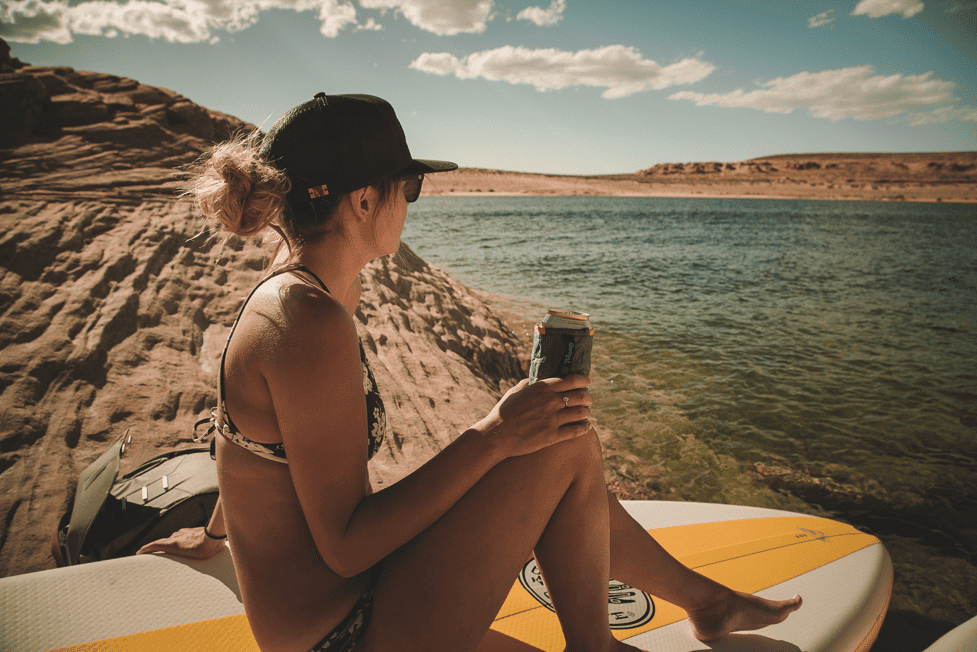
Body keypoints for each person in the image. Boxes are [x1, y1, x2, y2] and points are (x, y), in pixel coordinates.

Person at [138, 93, 801, 652]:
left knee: (555, 437)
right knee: (558, 440)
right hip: (341, 633)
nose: (411, 201)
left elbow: (258, 448)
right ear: (364, 200)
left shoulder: (306, 293)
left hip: (345, 604)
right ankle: (641, 629)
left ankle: (700, 604)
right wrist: (492, 434)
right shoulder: (304, 320)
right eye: (411, 186)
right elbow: (344, 547)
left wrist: (214, 533)